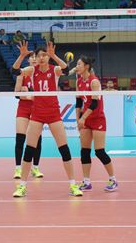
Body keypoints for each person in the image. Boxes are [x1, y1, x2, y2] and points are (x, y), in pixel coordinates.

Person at [11, 41, 82, 197]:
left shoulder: (54, 70)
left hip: (53, 113)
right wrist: (22, 55)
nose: (42, 58)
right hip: (37, 113)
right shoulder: (32, 70)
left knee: (64, 150)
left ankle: (73, 185)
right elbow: (15, 71)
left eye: (44, 55)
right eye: (39, 55)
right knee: (29, 150)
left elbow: (66, 69)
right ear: (35, 58)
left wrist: (54, 55)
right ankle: (22, 186)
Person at [75, 56, 118, 192]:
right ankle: (86, 181)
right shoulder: (78, 81)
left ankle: (113, 179)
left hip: (97, 118)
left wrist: (83, 118)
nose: (77, 66)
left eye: (79, 64)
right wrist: (78, 118)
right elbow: (79, 102)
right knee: (84, 152)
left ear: (86, 66)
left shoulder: (94, 82)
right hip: (85, 120)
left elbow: (95, 103)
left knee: (99, 151)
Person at [12, 53, 44, 179]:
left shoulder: (42, 74)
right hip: (23, 108)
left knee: (37, 140)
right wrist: (28, 95)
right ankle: (18, 169)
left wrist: (29, 94)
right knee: (20, 138)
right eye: (32, 57)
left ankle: (35, 168)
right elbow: (16, 94)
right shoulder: (22, 74)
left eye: (37, 56)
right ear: (29, 60)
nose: (35, 59)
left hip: (37, 109)